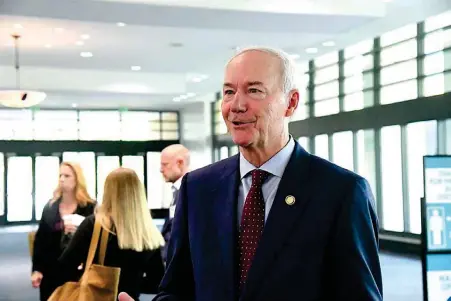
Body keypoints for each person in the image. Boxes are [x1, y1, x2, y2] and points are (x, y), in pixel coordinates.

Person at [119, 46, 383, 301]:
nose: (236, 105)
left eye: (254, 90)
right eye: (229, 92)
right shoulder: (198, 188)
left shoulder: (342, 192)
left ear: (290, 103)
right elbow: (178, 289)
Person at [57, 167, 166, 300]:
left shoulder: (94, 225)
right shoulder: (148, 233)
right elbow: (157, 282)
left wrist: (86, 276)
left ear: (108, 192)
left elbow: (64, 268)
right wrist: (132, 285)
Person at [31, 162, 96, 301]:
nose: (61, 179)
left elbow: (97, 240)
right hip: (51, 271)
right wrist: (36, 270)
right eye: (60, 175)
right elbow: (40, 240)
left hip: (79, 274)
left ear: (77, 179)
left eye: (67, 175)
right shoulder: (50, 207)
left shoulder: (90, 207)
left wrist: (80, 230)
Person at [159, 144, 190, 262]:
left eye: (165, 164)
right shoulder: (177, 191)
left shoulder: (190, 191)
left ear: (180, 163)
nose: (161, 169)